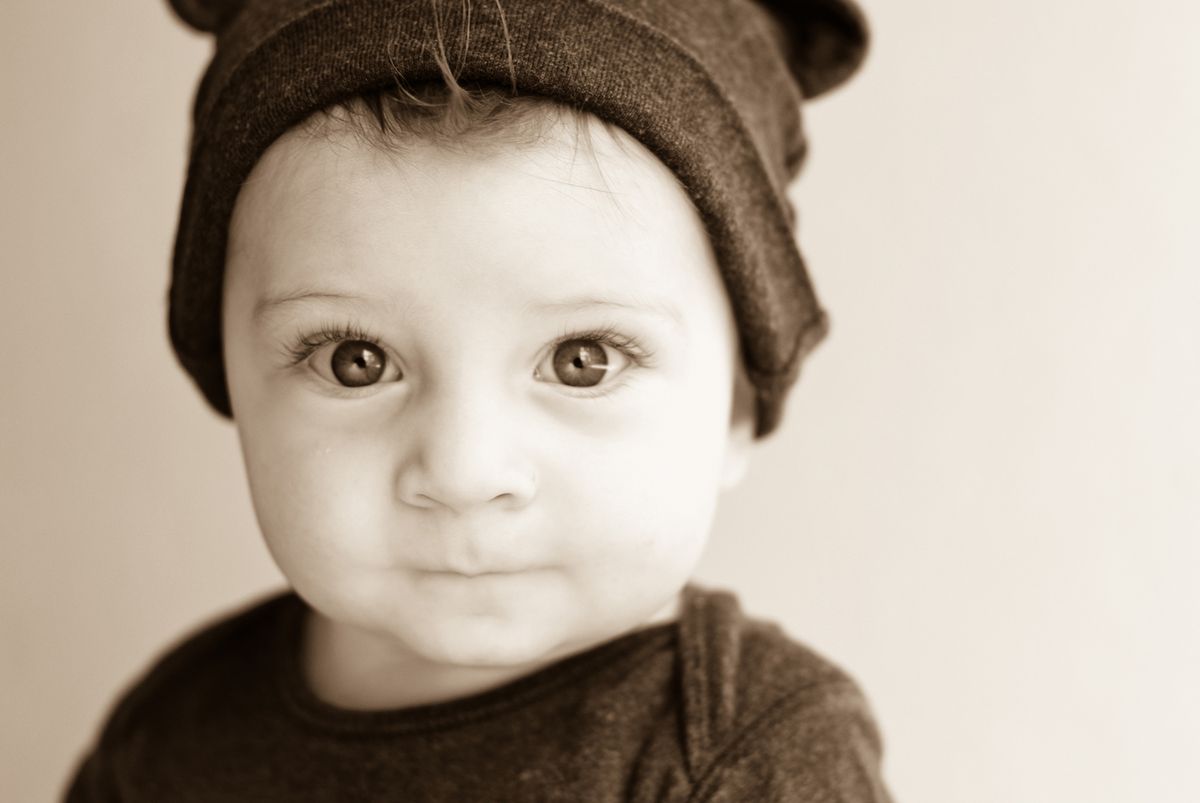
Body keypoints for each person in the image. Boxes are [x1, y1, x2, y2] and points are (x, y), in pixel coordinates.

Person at [66, 0, 891, 799]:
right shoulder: (172, 737)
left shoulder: (750, 759)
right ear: (236, 385)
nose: (463, 470)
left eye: (582, 361)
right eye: (358, 360)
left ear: (740, 404)